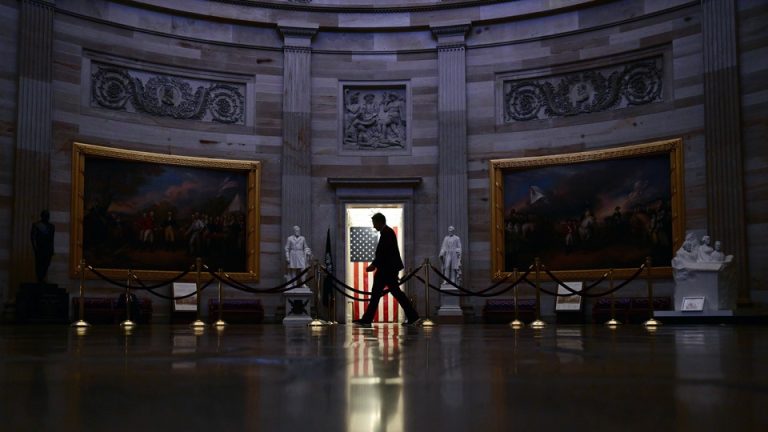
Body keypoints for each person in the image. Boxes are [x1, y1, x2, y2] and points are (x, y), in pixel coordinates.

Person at [353, 213, 420, 326]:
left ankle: (367, 319)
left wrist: (374, 265)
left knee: (385, 294)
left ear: (380, 222)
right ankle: (413, 316)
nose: (374, 226)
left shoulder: (387, 233)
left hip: (386, 271)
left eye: (374, 223)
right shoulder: (387, 232)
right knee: (391, 294)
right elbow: (384, 253)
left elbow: (383, 252)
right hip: (387, 270)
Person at [30, 210, 55, 283]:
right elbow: (33, 238)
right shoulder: (36, 225)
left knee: (46, 264)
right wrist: (35, 248)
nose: (47, 217)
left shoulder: (51, 227)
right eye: (45, 215)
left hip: (48, 249)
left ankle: (42, 277)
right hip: (40, 249)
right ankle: (40, 278)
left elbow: (51, 239)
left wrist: (52, 249)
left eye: (48, 216)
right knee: (39, 265)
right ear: (42, 216)